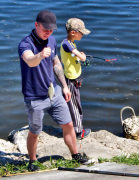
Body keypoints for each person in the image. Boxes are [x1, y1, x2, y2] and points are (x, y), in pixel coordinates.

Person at [18, 10, 91, 172]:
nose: (48, 33)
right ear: (36, 25)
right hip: (34, 97)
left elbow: (56, 63)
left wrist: (65, 86)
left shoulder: (51, 40)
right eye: (45, 29)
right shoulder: (25, 44)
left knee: (69, 124)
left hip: (55, 92)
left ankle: (76, 154)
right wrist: (39, 55)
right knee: (35, 131)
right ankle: (32, 160)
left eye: (51, 30)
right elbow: (29, 61)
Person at [60, 18, 91, 139]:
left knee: (75, 104)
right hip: (70, 81)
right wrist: (82, 56)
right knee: (74, 106)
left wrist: (78, 55)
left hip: (74, 80)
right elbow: (82, 58)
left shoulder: (71, 43)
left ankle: (72, 128)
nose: (83, 34)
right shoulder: (67, 44)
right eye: (81, 32)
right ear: (73, 32)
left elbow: (71, 57)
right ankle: (78, 132)